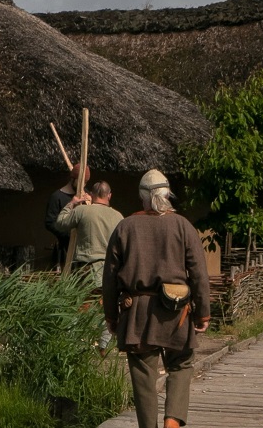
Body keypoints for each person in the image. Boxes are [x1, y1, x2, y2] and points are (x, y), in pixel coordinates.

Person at [102, 170, 211, 428]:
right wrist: (203, 313)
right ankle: (172, 421)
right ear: (166, 195)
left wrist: (111, 316)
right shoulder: (182, 226)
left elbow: (109, 278)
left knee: (143, 376)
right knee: (182, 365)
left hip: (137, 314)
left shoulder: (124, 227)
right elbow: (198, 274)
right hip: (176, 313)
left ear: (142, 197)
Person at [53, 181, 123, 273]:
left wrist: (71, 203)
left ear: (91, 194)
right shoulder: (118, 216)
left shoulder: (82, 211)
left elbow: (60, 223)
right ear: (109, 196)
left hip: (87, 269)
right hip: (110, 269)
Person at [42, 165, 88, 267]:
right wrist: (69, 234)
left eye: (85, 183)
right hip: (64, 247)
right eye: (81, 182)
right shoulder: (57, 197)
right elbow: (50, 222)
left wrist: (91, 202)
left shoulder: (87, 196)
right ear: (72, 179)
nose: (83, 185)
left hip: (83, 249)